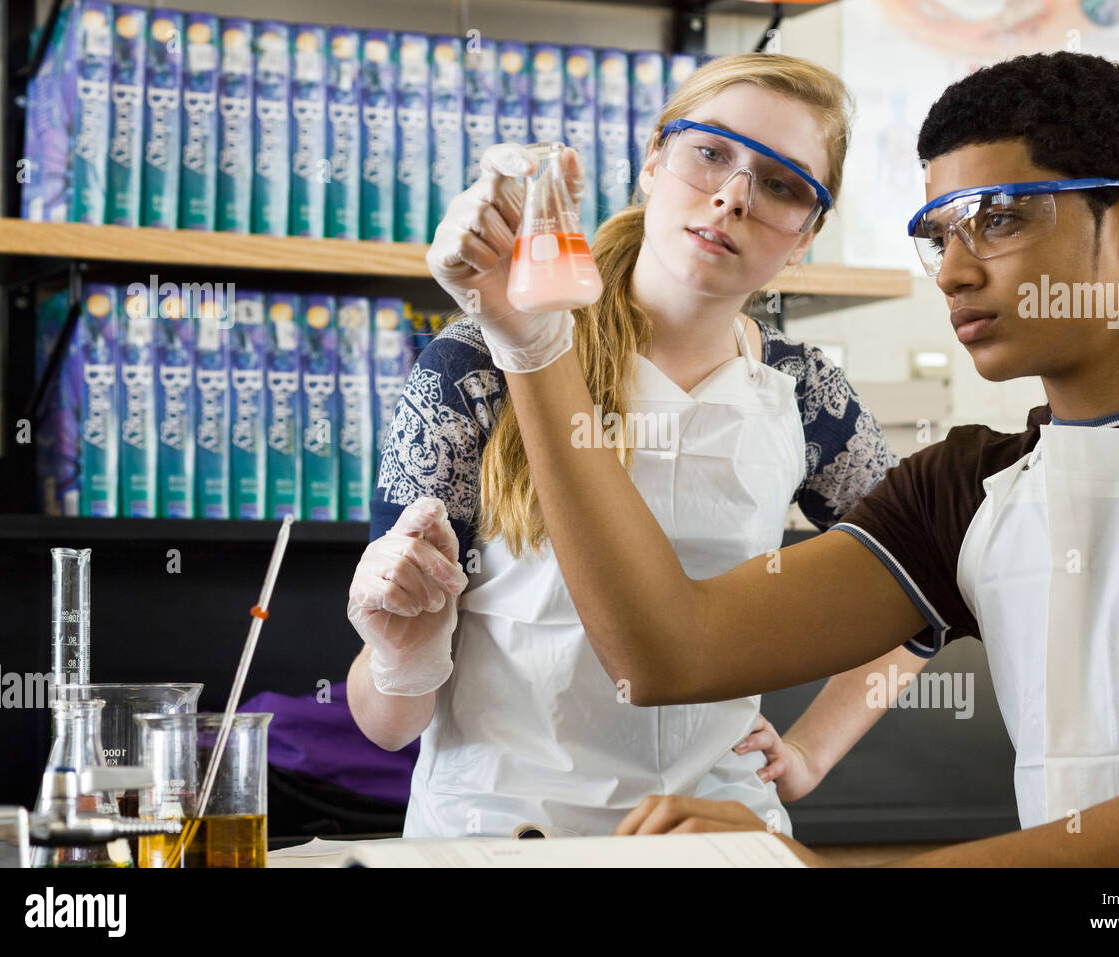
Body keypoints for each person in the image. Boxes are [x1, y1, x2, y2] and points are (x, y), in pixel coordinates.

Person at [446, 50, 1119, 865]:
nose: (953, 271)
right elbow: (667, 650)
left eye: (998, 218)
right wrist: (534, 343)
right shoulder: (964, 490)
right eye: (939, 233)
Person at [345, 53, 928, 839]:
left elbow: (922, 589)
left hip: (713, 836)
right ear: (654, 160)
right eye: (711, 152)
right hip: (498, 835)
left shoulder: (806, 394)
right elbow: (387, 723)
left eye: (784, 184)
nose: (732, 196)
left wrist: (808, 754)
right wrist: (402, 658)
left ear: (806, 237)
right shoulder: (479, 358)